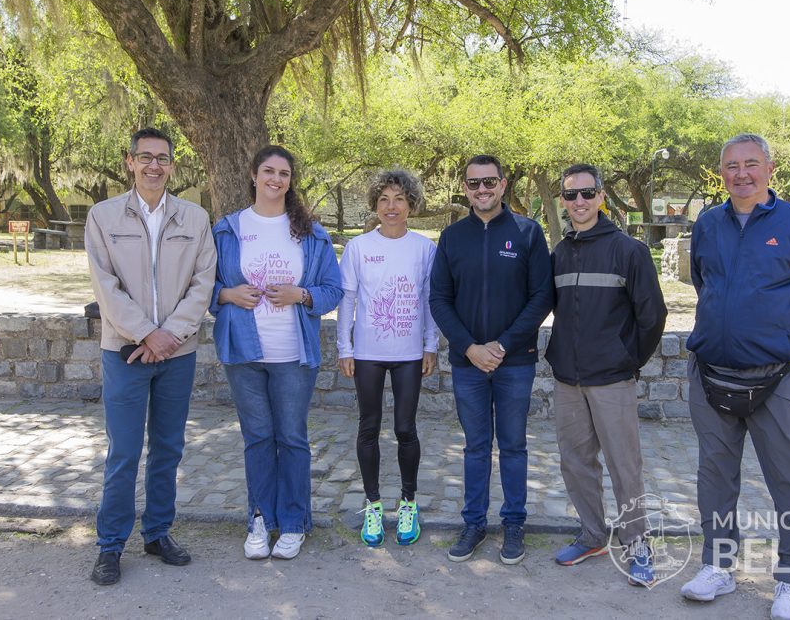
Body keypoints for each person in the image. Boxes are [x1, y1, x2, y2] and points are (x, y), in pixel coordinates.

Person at [681, 134, 790, 620]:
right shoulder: (707, 225)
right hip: (711, 374)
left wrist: (782, 341)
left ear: (770, 169)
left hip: (780, 379)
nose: (741, 174)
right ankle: (718, 566)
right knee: (715, 478)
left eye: (752, 164)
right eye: (732, 166)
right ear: (721, 172)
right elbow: (703, 283)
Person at [85, 127, 216, 585]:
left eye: (162, 159)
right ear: (130, 161)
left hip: (178, 354)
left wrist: (170, 336)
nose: (154, 166)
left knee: (168, 449)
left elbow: (203, 285)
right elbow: (106, 286)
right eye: (146, 157)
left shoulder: (195, 219)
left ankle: (158, 532)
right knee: (123, 451)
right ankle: (110, 545)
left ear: (172, 166)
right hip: (124, 352)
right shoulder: (102, 217)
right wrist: (145, 334)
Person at [209, 145, 342, 561]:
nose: (275, 179)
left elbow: (333, 290)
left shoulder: (310, 233)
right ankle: (260, 519)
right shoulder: (228, 230)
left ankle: (295, 522)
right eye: (268, 171)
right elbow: (202, 287)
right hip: (244, 351)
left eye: (283, 173)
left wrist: (301, 294)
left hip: (292, 354)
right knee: (258, 438)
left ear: (290, 180)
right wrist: (228, 294)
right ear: (253, 175)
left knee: (291, 437)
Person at [544, 163, 667, 586]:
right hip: (567, 380)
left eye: (586, 193)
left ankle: (638, 546)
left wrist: (627, 360)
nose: (578, 201)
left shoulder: (627, 250)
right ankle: (594, 534)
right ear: (563, 200)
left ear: (600, 196)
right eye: (570, 194)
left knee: (624, 466)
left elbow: (653, 315)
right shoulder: (559, 253)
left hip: (612, 379)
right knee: (575, 463)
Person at [430, 154, 554, 565]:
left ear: (502, 185)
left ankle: (514, 523)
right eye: (473, 184)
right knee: (476, 447)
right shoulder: (452, 238)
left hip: (514, 363)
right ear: (464, 188)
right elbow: (439, 300)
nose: (481, 190)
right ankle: (474, 523)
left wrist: (500, 346)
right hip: (468, 365)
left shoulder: (527, 232)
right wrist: (469, 348)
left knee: (514, 445)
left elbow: (542, 298)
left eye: (489, 183)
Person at [336, 170, 438, 547]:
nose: (391, 207)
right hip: (367, 353)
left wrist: (431, 345)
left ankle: (409, 501)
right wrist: (344, 348)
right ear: (374, 205)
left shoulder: (425, 249)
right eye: (383, 200)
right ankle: (373, 504)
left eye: (398, 199)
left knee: (405, 429)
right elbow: (347, 299)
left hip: (410, 354)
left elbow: (430, 300)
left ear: (411, 204)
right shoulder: (359, 247)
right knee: (368, 427)